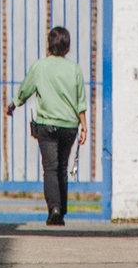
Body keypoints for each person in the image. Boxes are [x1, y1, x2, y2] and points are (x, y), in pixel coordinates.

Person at [6, 25, 87, 226]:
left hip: (47, 125)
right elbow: (81, 101)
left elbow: (26, 89)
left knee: (50, 168)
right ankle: (62, 210)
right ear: (67, 46)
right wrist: (84, 127)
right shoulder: (74, 68)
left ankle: (55, 209)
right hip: (69, 126)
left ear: (50, 45)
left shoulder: (40, 66)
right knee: (62, 167)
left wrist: (13, 104)